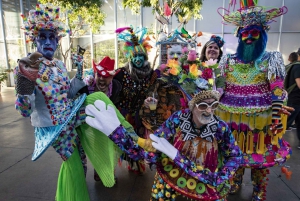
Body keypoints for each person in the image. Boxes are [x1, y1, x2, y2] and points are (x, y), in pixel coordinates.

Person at [84, 64, 243, 200]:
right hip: (171, 172)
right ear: (192, 106)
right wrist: (118, 134)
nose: (209, 111)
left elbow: (235, 155)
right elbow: (149, 149)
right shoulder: (178, 118)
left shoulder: (220, 126)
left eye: (214, 105)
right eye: (203, 106)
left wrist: (221, 176)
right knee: (159, 194)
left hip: (207, 179)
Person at [217, 2, 293, 200]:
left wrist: (276, 116)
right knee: (235, 153)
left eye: (254, 32)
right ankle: (235, 182)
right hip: (232, 120)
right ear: (239, 35)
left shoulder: (271, 59)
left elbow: (277, 89)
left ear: (262, 34)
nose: (249, 37)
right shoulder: (228, 61)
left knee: (260, 155)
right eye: (244, 33)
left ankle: (260, 189)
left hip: (262, 122)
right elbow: (219, 88)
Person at [14, 4, 89, 201]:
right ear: (34, 40)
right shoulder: (27, 65)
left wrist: (80, 71)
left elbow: (69, 94)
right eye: (43, 37)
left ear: (57, 41)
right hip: (52, 128)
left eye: (52, 37)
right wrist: (25, 84)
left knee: (81, 162)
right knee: (72, 163)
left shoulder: (59, 65)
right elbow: (24, 110)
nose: (48, 42)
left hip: (70, 121)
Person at [113, 26, 158, 174]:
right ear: (130, 57)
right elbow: (109, 87)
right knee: (123, 140)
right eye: (135, 56)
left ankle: (136, 164)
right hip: (124, 113)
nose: (138, 59)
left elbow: (154, 88)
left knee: (138, 139)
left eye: (141, 56)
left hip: (140, 114)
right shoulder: (121, 73)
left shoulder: (150, 74)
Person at [79, 56, 122, 184]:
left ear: (112, 78)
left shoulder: (116, 87)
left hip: (105, 123)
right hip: (85, 122)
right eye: (99, 75)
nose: (102, 79)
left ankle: (104, 174)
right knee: (82, 151)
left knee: (106, 148)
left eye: (106, 76)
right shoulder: (88, 84)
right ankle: (79, 178)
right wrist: (82, 84)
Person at [284, 52, 300, 148]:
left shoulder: (293, 66)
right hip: (295, 99)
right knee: (285, 123)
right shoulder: (298, 67)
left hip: (295, 98)